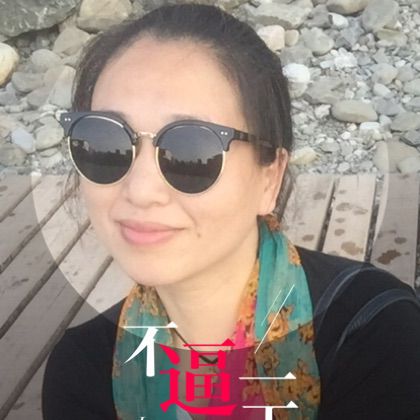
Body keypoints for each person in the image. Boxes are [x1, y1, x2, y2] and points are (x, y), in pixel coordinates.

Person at [42, 3, 420, 420]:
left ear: (269, 178)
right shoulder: (84, 370)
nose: (141, 190)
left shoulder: (373, 336)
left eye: (192, 152)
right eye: (105, 143)